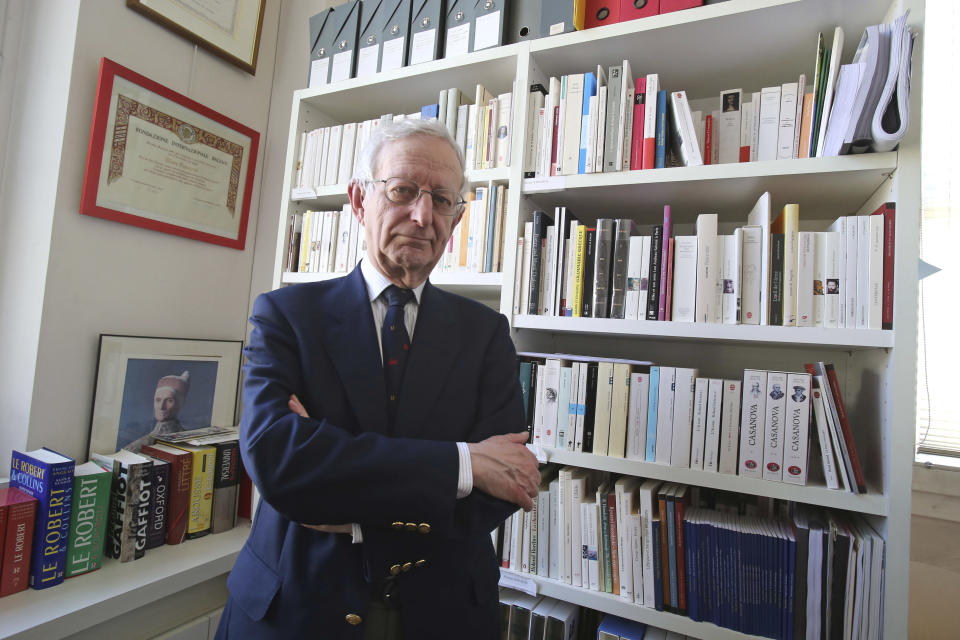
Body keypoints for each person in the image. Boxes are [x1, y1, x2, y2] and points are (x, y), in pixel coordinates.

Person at [216, 118, 540, 639]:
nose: (422, 214)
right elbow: (278, 460)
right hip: (294, 608)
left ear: (456, 220)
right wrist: (462, 463)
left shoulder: (486, 334)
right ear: (359, 200)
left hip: (443, 612)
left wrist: (348, 511)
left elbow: (502, 485)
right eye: (403, 190)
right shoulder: (286, 316)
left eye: (441, 200)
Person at [125, 371, 190, 451]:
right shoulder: (137, 446)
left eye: (169, 400)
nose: (161, 406)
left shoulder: (187, 439)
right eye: (158, 400)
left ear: (180, 404)